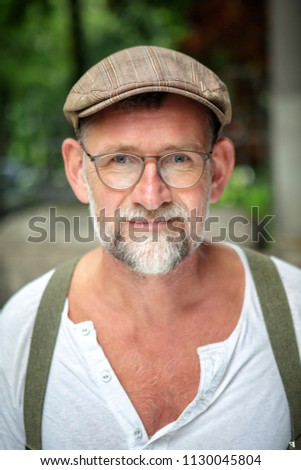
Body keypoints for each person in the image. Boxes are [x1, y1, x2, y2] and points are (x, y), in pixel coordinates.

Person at [0, 45, 300, 450]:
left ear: (219, 171)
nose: (151, 195)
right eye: (120, 160)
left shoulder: (295, 314)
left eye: (179, 158)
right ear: (77, 171)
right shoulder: (20, 331)